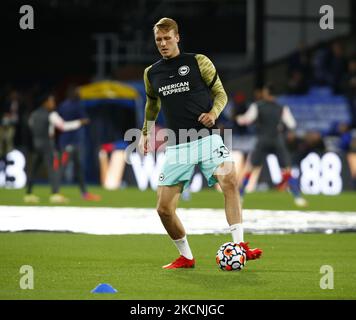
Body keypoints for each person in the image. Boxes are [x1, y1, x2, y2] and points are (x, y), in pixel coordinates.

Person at [138, 17, 262, 269]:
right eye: (158, 40)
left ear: (177, 37)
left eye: (167, 38)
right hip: (179, 144)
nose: (162, 43)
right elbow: (152, 104)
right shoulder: (151, 73)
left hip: (206, 137)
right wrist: (146, 131)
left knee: (229, 181)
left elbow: (221, 94)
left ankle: (239, 246)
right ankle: (186, 256)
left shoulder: (198, 61)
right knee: (163, 209)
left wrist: (214, 113)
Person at [236, 83, 308, 207]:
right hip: (277, 139)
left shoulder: (257, 106)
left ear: (266, 93)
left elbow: (246, 120)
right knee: (287, 170)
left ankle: (241, 196)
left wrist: (238, 118)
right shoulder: (282, 108)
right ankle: (297, 197)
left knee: (251, 167)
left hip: (262, 139)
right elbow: (292, 124)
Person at [24, 92, 89, 204]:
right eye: (51, 101)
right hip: (47, 145)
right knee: (53, 168)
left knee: (34, 169)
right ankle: (55, 194)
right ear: (45, 102)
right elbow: (63, 126)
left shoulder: (34, 114)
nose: (53, 103)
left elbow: (30, 125)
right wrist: (79, 122)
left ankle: (28, 194)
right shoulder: (51, 115)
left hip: (36, 144)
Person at [57, 87, 101, 201]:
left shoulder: (62, 105)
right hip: (75, 141)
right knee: (77, 169)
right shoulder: (78, 105)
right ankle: (81, 193)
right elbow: (85, 119)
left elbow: (60, 121)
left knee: (64, 167)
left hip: (64, 140)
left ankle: (57, 192)